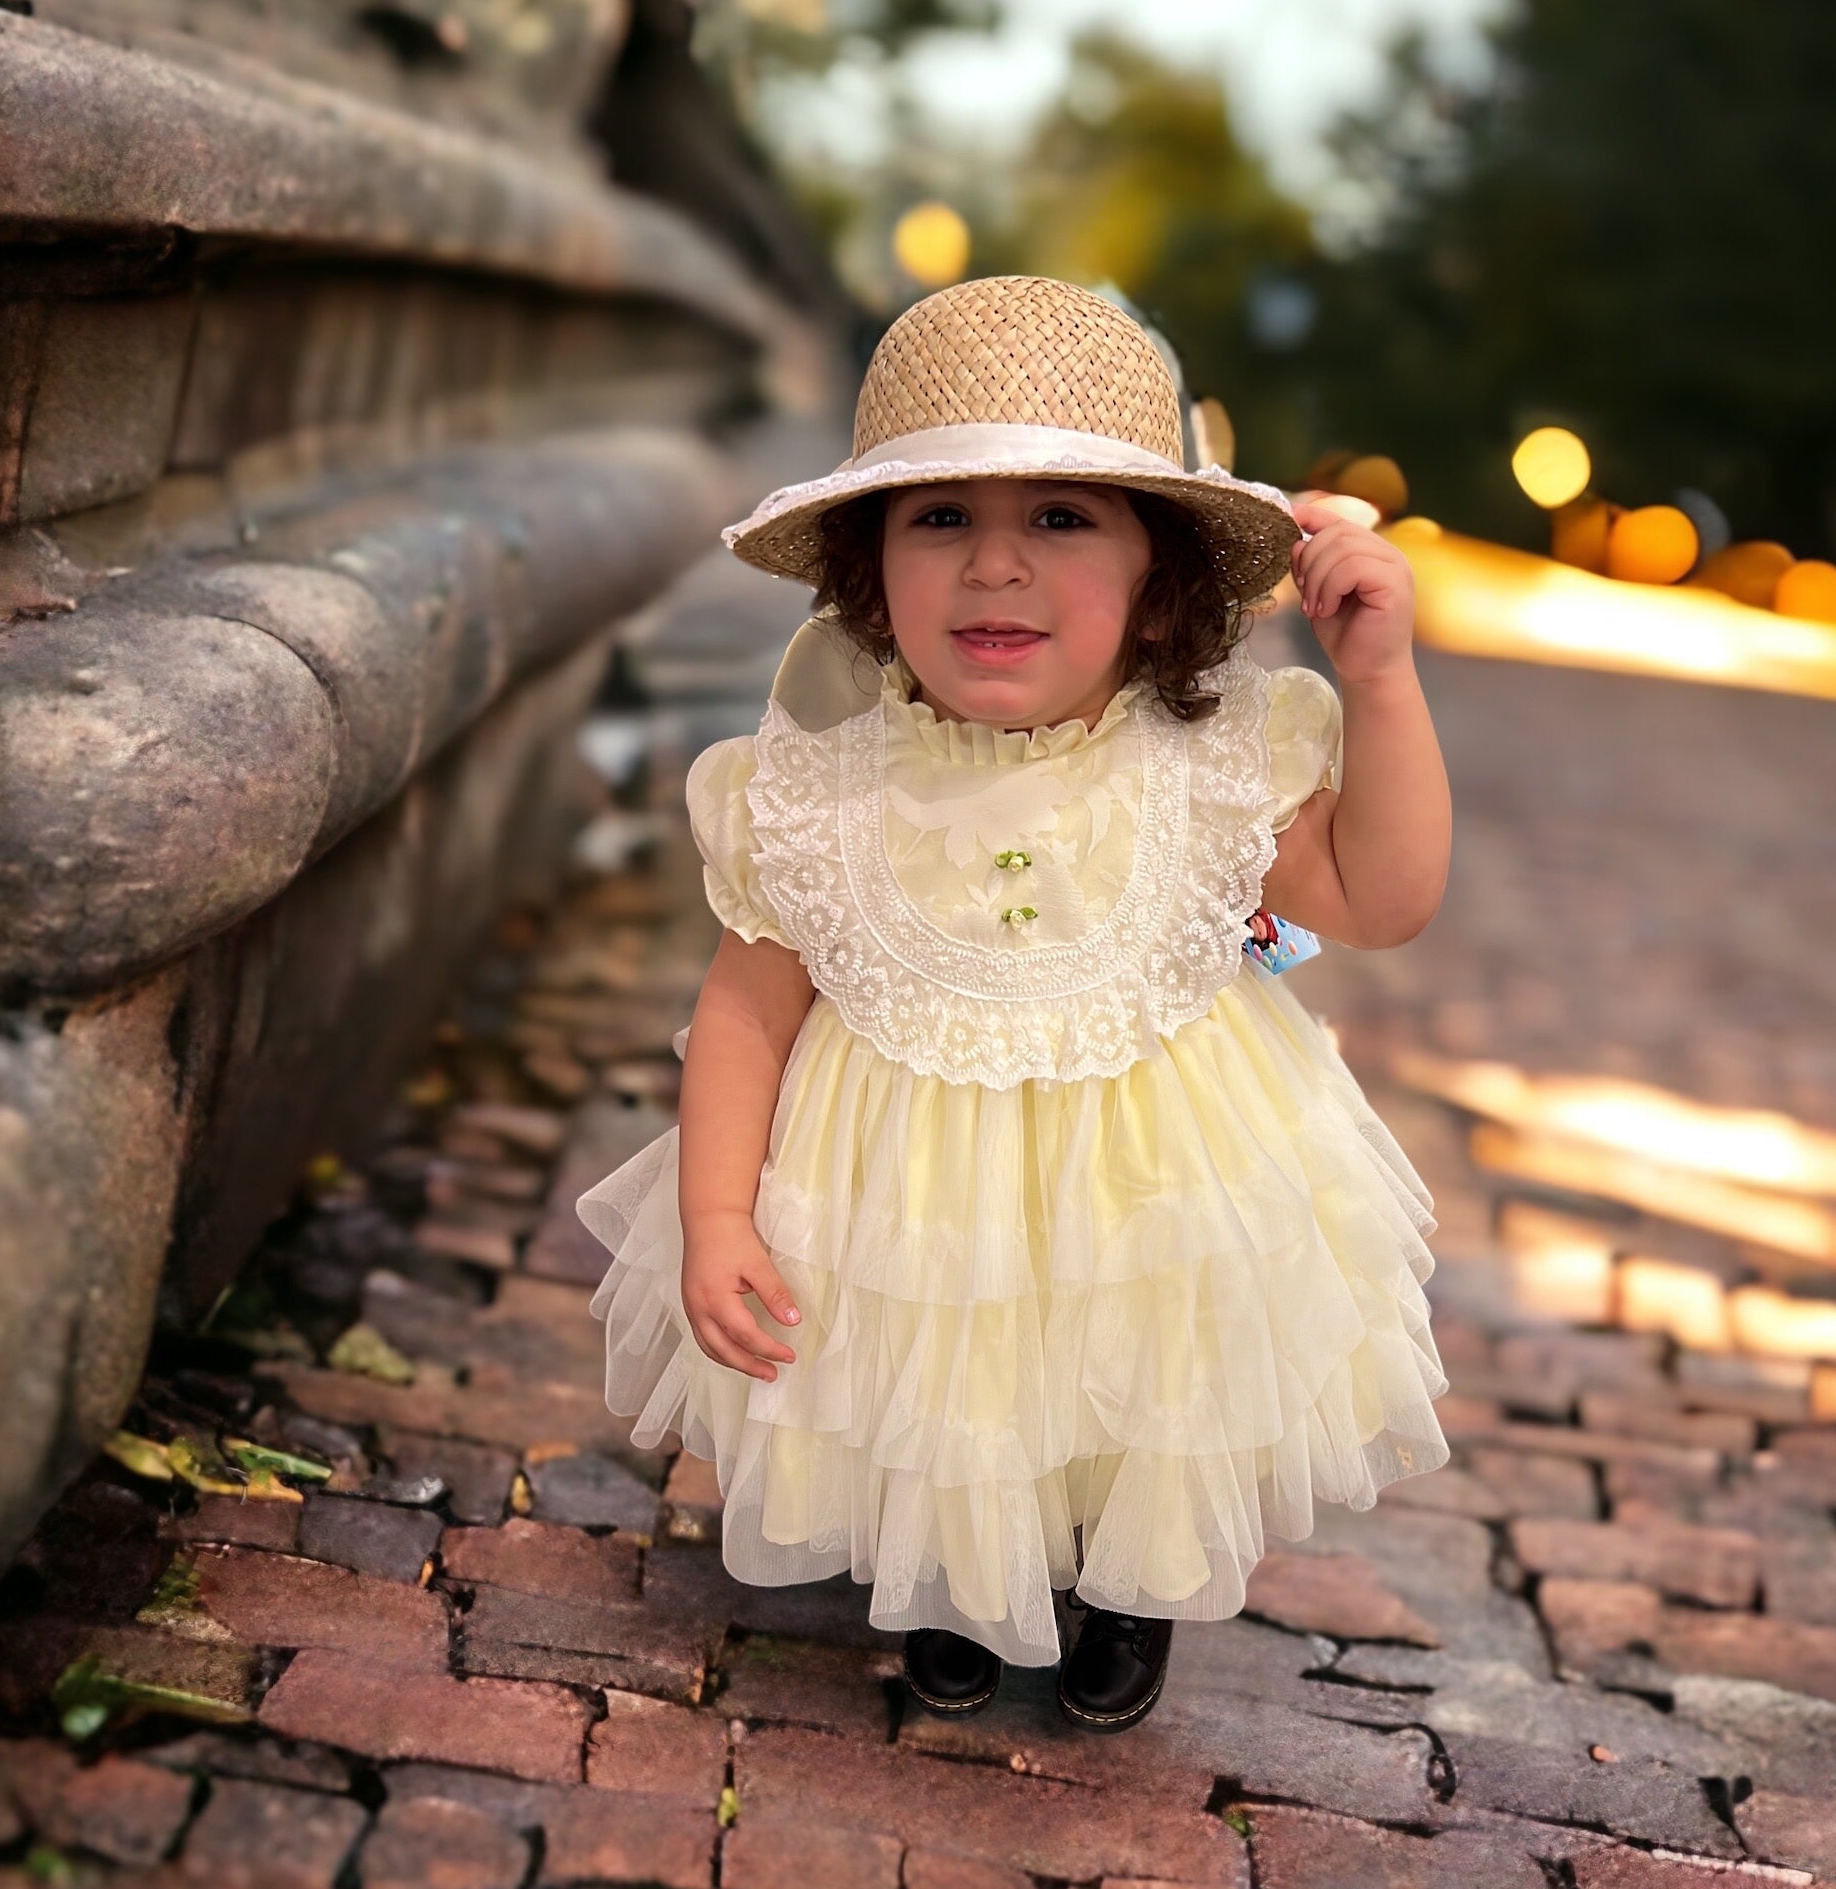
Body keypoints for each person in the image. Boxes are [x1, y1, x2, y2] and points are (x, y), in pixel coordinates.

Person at [578, 275, 1451, 1734]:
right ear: (869, 570)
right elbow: (745, 1011)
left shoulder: (1212, 767)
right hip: (908, 1188)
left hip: (1161, 1181)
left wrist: (1384, 683)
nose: (995, 568)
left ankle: (1126, 1584)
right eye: (942, 520)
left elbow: (1384, 894)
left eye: (1059, 519)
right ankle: (954, 1582)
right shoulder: (818, 792)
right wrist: (721, 1217)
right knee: (951, 1371)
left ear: (1160, 572)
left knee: (1147, 1366)